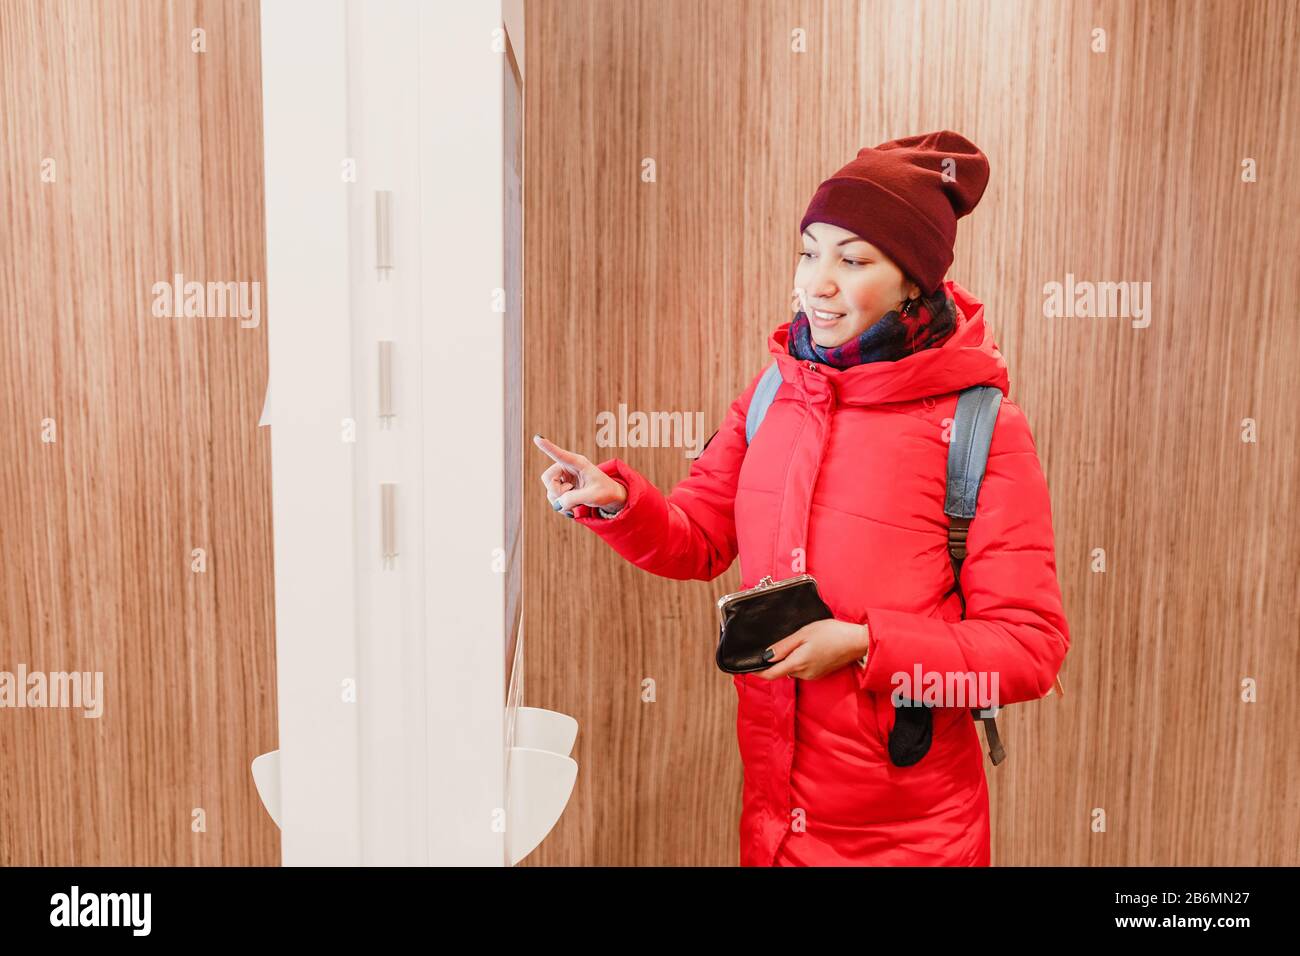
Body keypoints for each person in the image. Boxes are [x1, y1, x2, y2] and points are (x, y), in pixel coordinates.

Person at [534, 131, 1069, 866]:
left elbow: (1029, 652)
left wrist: (865, 646)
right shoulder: (773, 394)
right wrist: (617, 501)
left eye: (852, 261)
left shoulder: (979, 426)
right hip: (776, 824)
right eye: (809, 250)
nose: (817, 282)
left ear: (915, 282)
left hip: (914, 842)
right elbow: (699, 538)